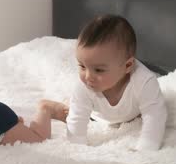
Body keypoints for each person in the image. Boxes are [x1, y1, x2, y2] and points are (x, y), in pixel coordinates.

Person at [43, 15, 167, 151]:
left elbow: (155, 116)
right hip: (95, 116)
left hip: (130, 114)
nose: (88, 76)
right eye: (82, 66)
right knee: (74, 110)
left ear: (128, 65)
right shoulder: (85, 86)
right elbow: (77, 120)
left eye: (99, 70)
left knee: (152, 106)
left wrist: (146, 149)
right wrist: (77, 147)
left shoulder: (144, 81)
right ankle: (54, 107)